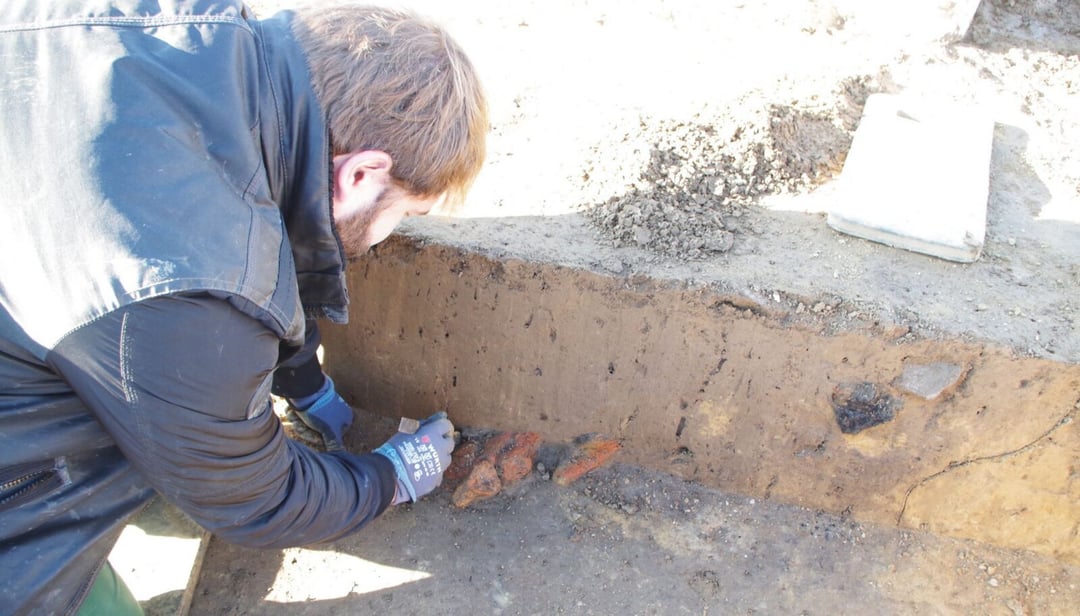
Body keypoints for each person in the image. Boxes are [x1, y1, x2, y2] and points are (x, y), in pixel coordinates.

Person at [0, 1, 488, 614]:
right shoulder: (183, 288)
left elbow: (273, 213)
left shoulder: (188, 34)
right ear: (362, 174)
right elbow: (258, 499)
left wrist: (303, 380)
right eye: (406, 213)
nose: (393, 232)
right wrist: (389, 478)